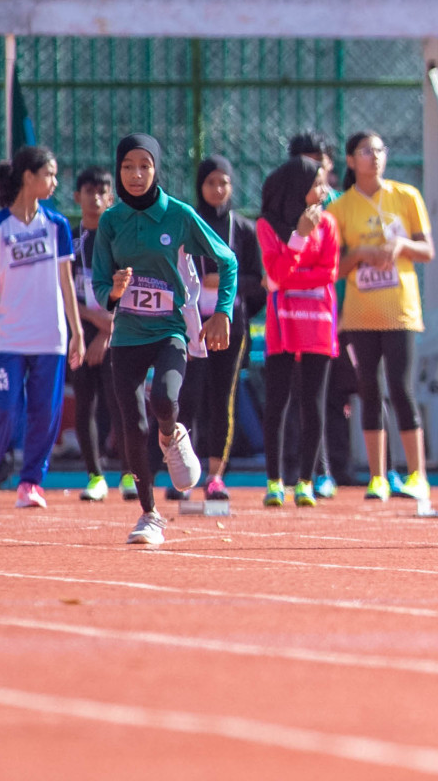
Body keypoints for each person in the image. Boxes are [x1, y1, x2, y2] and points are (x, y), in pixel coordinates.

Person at [93, 134, 237, 547]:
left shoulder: (178, 215)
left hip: (171, 329)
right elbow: (100, 284)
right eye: (127, 167)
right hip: (128, 335)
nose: (136, 175)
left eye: (145, 166)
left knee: (164, 402)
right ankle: (149, 514)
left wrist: (222, 311)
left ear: (156, 169)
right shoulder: (110, 221)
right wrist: (114, 291)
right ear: (118, 171)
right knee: (131, 426)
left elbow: (226, 260)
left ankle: (172, 433)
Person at [0, 148, 83, 513]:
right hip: (9, 336)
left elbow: (66, 283)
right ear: (29, 177)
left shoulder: (57, 225)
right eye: (50, 174)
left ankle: (31, 483)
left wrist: (75, 332)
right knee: (4, 407)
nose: (55, 183)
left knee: (45, 411)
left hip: (50, 336)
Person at [329, 130, 435, 502]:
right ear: (350, 160)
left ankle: (417, 475)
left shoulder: (407, 196)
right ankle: (377, 477)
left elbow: (428, 250)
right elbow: (331, 269)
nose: (373, 157)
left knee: (401, 389)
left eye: (378, 150)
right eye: (364, 151)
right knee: (369, 391)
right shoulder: (339, 208)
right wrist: (359, 254)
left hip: (400, 312)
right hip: (359, 315)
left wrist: (401, 244)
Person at [174, 156, 264, 501]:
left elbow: (259, 282)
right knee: (188, 397)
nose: (217, 189)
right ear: (201, 186)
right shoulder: (188, 225)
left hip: (229, 327)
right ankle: (185, 475)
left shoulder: (242, 229)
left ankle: (215, 477)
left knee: (222, 398)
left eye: (223, 182)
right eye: (211, 183)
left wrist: (228, 286)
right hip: (192, 326)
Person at [257, 155, 339, 508]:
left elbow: (329, 273)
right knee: (277, 403)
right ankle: (275, 481)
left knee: (314, 403)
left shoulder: (330, 225)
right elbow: (273, 276)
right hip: (283, 324)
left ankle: (306, 480)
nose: (323, 191)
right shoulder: (267, 226)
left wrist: (291, 277)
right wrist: (298, 239)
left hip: (318, 324)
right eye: (317, 184)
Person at [288, 131, 350, 497]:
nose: (315, 169)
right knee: (307, 396)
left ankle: (351, 467)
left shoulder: (341, 206)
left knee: (348, 393)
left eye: (320, 161)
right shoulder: (283, 206)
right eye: (306, 161)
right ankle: (315, 469)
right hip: (301, 318)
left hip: (346, 316)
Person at [70, 166, 119, 501]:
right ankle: (95, 476)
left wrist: (109, 332)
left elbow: (132, 290)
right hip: (80, 332)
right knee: (85, 402)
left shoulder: (119, 241)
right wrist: (89, 323)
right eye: (89, 191)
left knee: (123, 403)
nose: (96, 198)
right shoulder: (70, 241)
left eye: (102, 192)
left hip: (118, 332)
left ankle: (131, 473)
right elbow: (63, 290)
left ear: (111, 198)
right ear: (78, 197)